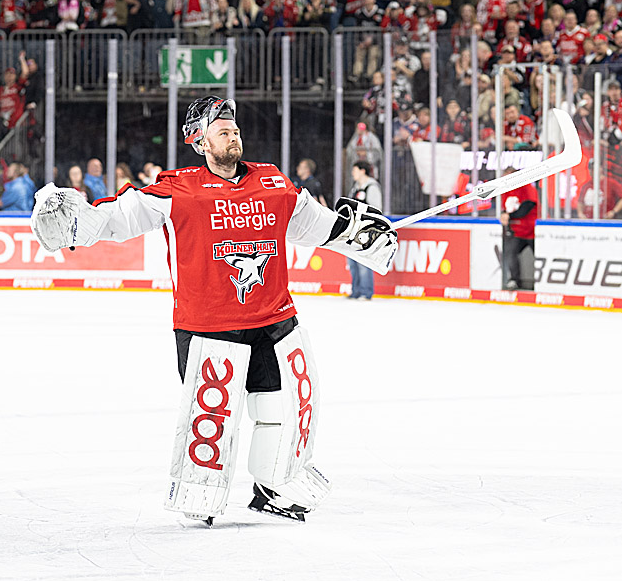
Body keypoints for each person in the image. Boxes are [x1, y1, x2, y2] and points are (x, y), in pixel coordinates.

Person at [29, 95, 397, 525]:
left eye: (234, 127)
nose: (233, 132)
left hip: (274, 321)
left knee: (282, 410)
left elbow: (312, 223)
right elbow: (120, 217)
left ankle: (274, 486)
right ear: (198, 140)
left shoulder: (273, 182)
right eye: (221, 129)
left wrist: (356, 234)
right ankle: (199, 492)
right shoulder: (178, 189)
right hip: (208, 328)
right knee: (214, 418)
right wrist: (78, 224)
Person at [346, 161, 382, 301]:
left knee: (363, 262)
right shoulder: (355, 188)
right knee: (352, 262)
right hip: (353, 229)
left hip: (366, 230)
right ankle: (355, 290)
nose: (352, 173)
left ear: (362, 171)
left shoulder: (372, 187)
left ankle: (366, 292)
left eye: (354, 170)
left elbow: (376, 209)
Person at [499, 168, 537, 291]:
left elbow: (528, 206)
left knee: (538, 255)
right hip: (517, 231)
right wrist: (504, 214)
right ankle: (514, 279)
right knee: (511, 253)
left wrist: (509, 216)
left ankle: (541, 281)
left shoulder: (526, 187)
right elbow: (505, 209)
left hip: (532, 230)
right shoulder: (505, 192)